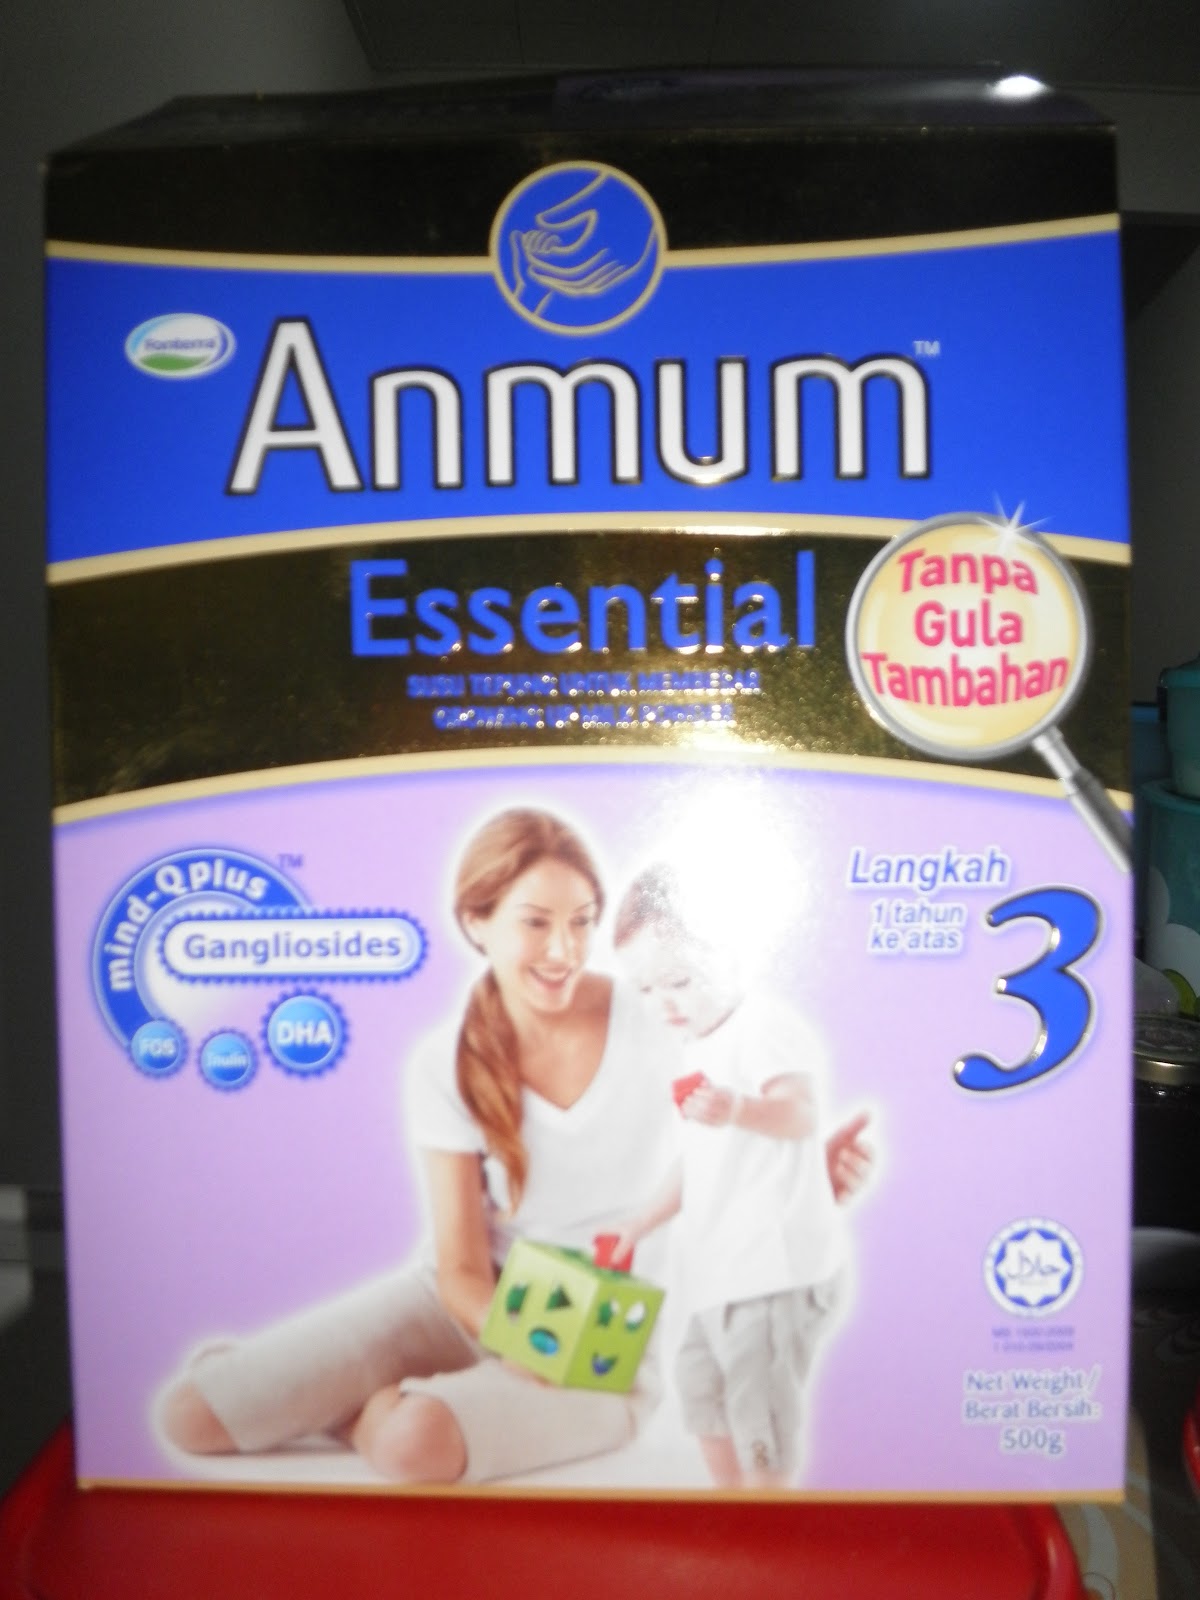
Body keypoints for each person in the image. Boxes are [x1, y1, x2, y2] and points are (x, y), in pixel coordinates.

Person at [160, 808, 868, 1486]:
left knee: (410, 1444)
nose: (564, 951)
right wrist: (518, 1340)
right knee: (191, 1416)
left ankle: (365, 1411)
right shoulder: (443, 1061)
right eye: (535, 923)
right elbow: (461, 1267)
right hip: (465, 1302)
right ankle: (326, 1387)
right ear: (477, 922)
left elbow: (734, 1134)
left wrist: (803, 1171)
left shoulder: (660, 1015)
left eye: (582, 922)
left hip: (602, 1342)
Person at [611, 864, 849, 1489]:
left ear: (731, 952)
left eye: (679, 981)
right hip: (722, 1270)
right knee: (698, 1388)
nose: (662, 1002)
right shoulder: (697, 1044)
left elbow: (802, 1116)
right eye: (644, 988)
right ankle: (730, 1503)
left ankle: (766, 1514)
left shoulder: (762, 1024)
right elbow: (699, 1159)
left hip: (772, 1269)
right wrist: (639, 1222)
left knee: (757, 1407)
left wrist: (738, 1108)